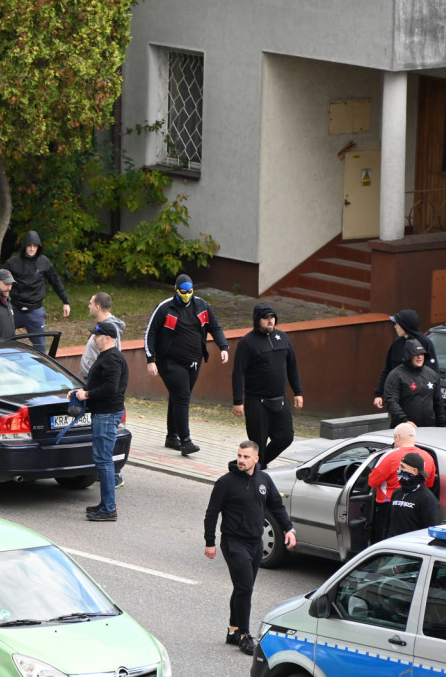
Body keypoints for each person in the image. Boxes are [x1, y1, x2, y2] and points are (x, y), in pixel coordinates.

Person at [204, 440, 296, 655]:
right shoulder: (225, 482)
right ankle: (244, 635)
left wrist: (289, 528)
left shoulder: (264, 479)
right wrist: (210, 542)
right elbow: (211, 513)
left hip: (256, 543)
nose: (241, 460)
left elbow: (276, 505)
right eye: (239, 456)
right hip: (234, 543)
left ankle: (233, 630)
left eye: (246, 457)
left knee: (242, 588)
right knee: (245, 587)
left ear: (256, 459)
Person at [146, 275, 229, 456]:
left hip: (194, 362)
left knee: (178, 397)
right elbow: (150, 333)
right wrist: (150, 359)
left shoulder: (201, 306)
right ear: (176, 290)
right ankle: (185, 441)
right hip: (169, 361)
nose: (186, 295)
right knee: (182, 397)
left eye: (189, 291)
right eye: (183, 292)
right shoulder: (165, 308)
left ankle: (171, 437)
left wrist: (223, 346)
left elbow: (215, 327)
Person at [231, 303, 303, 469]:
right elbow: (238, 373)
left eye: (272, 317)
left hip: (280, 400)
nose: (270, 321)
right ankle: (256, 470)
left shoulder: (283, 338)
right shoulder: (247, 343)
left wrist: (298, 392)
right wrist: (238, 401)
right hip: (256, 402)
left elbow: (292, 366)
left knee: (285, 437)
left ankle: (255, 465)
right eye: (266, 318)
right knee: (258, 444)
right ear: (258, 320)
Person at [72, 321, 128, 522]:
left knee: (103, 460)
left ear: (108, 338)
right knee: (103, 459)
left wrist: (86, 394)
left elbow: (110, 389)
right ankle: (105, 504)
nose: (93, 338)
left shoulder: (112, 359)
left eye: (97, 335)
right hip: (104, 413)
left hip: (106, 414)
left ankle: (109, 508)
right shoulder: (108, 356)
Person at [79, 292, 127, 488]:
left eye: (90, 302)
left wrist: (88, 393)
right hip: (98, 394)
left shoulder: (110, 335)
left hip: (106, 406)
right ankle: (107, 498)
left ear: (98, 306)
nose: (88, 305)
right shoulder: (103, 330)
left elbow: (111, 383)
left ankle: (113, 482)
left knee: (104, 455)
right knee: (101, 454)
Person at [366, 423, 437, 543]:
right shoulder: (428, 457)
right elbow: (429, 484)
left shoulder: (390, 456)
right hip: (415, 508)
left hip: (389, 505)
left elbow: (372, 481)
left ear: (397, 437)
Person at [2, 230, 70, 350]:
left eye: (35, 246)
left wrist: (65, 301)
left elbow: (56, 281)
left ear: (38, 247)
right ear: (24, 246)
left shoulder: (44, 262)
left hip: (35, 310)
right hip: (14, 308)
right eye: (29, 245)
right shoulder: (12, 263)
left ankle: (41, 367)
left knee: (40, 347)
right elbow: (0, 283)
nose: (32, 249)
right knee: (4, 341)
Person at [373, 310, 438, 409]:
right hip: (396, 398)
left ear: (405, 325)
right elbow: (387, 369)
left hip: (417, 401)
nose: (395, 327)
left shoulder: (425, 343)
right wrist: (379, 394)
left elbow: (433, 373)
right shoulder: (397, 343)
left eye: (397, 324)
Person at [383, 340, 444, 428]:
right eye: (416, 354)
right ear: (408, 356)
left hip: (429, 428)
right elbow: (391, 401)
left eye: (422, 354)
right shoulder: (396, 375)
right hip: (405, 428)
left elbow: (438, 401)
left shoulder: (432, 374)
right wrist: (404, 420)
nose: (419, 357)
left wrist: (440, 424)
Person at [386, 452, 440, 538]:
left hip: (411, 548)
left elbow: (430, 531)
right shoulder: (397, 493)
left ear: (415, 471)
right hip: (393, 546)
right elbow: (387, 525)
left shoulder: (427, 499)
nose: (399, 469)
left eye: (403, 467)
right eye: (399, 466)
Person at [80, 292, 126, 379]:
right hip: (92, 379)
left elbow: (113, 358)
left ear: (97, 307)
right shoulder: (101, 326)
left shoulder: (110, 329)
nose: (88, 306)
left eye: (91, 304)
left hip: (98, 381)